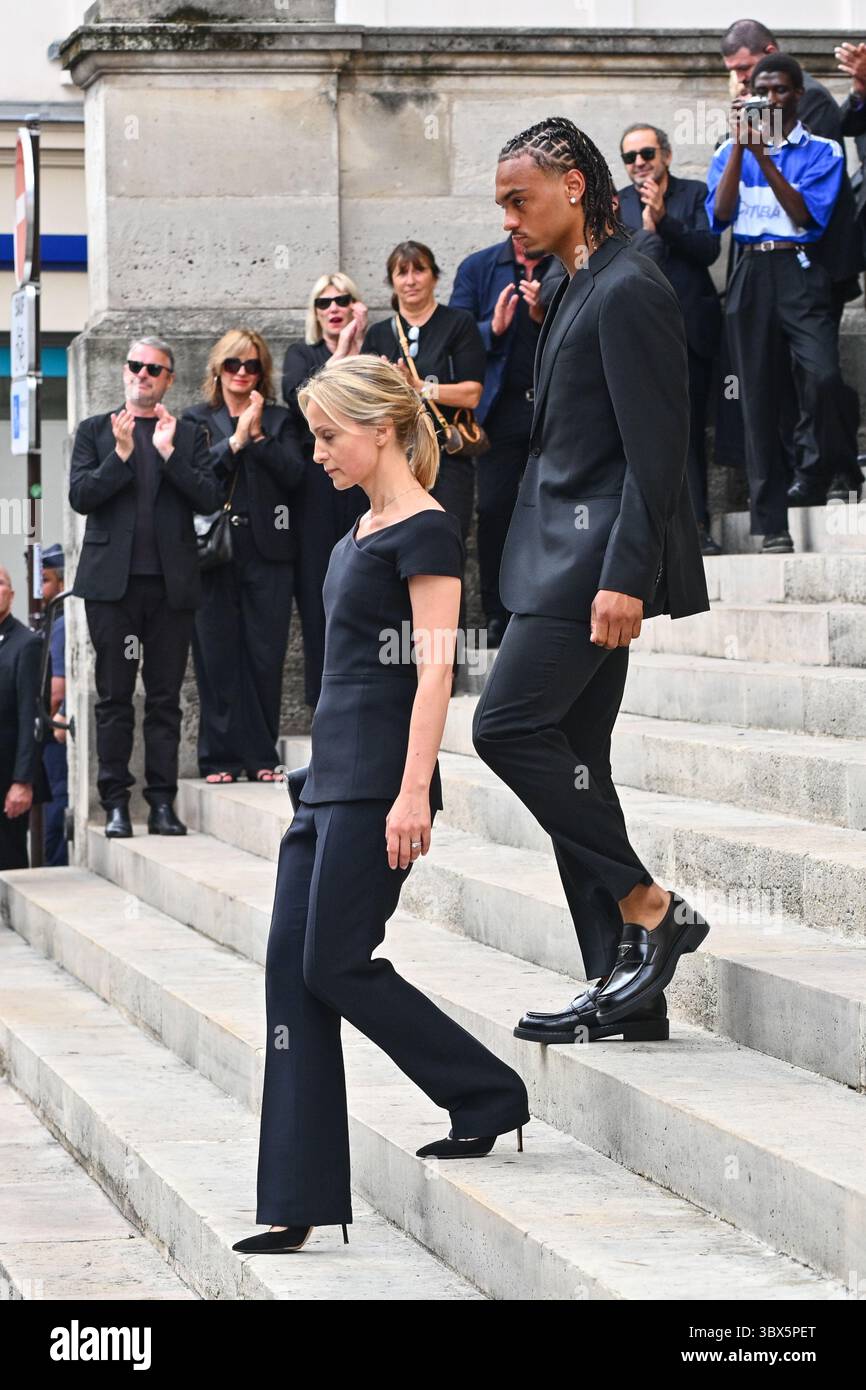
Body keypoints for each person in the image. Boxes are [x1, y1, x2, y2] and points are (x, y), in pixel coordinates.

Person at [232, 356, 530, 1256]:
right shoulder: (352, 535)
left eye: (330, 436)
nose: (319, 452)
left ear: (383, 428)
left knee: (334, 963)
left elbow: (435, 673)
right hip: (323, 784)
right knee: (293, 974)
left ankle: (486, 1092)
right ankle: (295, 1198)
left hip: (378, 787)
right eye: (314, 436)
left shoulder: (427, 532)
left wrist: (412, 791)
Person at [469, 115, 711, 1046]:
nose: (508, 219)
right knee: (577, 760)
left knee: (505, 727)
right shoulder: (576, 282)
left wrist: (626, 578)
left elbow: (657, 453)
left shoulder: (631, 286)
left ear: (574, 186)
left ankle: (652, 910)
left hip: (590, 569)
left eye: (518, 199)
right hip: (554, 557)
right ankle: (626, 987)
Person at [69, 336, 227, 837]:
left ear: (168, 380)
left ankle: (162, 803)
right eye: (135, 365)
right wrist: (119, 456)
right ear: (124, 371)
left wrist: (168, 454)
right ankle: (115, 804)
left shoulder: (188, 433)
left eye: (154, 369)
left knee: (164, 699)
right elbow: (80, 496)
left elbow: (210, 499)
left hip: (170, 588)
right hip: (110, 590)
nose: (142, 374)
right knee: (114, 698)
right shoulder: (95, 431)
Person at [706, 55, 849, 551]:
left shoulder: (823, 150)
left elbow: (807, 216)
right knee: (756, 399)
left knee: (824, 376)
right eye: (762, 91)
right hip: (750, 271)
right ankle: (772, 526)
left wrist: (764, 158)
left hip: (799, 268)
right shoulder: (728, 151)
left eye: (781, 90)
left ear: (798, 95)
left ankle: (814, 469)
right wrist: (741, 151)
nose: (770, 100)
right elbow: (720, 216)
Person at [183, 329, 305, 783]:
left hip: (268, 551)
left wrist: (257, 437)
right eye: (232, 364)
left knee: (265, 655)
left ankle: (260, 755)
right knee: (216, 656)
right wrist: (233, 442)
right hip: (212, 552)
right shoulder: (196, 420)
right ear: (217, 369)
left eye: (251, 365)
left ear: (262, 372)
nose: (241, 372)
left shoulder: (279, 419)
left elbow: (296, 475)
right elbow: (192, 477)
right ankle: (219, 759)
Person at [362, 241, 486, 654]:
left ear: (434, 276)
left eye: (419, 270)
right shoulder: (379, 333)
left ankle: (445, 661)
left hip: (446, 459)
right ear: (392, 281)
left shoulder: (458, 324)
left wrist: (420, 387)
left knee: (443, 550)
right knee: (392, 550)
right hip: (395, 460)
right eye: (402, 272)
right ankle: (400, 656)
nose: (411, 280)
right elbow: (365, 399)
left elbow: (471, 393)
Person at [616, 124, 723, 555]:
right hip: (636, 337)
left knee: (689, 435)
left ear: (667, 155)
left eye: (647, 153)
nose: (639, 162)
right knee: (641, 439)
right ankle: (651, 536)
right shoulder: (614, 204)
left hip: (689, 334)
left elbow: (710, 249)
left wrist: (664, 222)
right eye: (630, 157)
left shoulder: (694, 193)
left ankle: (697, 529)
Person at [449, 234, 556, 645]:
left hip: (555, 405)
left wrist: (543, 315)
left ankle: (555, 604)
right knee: (494, 508)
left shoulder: (565, 261)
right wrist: (491, 328)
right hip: (499, 410)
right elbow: (452, 338)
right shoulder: (478, 268)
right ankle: (498, 612)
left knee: (556, 505)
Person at [281, 274, 369, 709]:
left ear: (355, 305)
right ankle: (323, 699)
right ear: (314, 313)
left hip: (364, 483)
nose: (333, 308)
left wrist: (357, 351)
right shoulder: (304, 354)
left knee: (365, 585)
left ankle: (364, 690)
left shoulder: (372, 353)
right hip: (316, 487)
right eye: (323, 302)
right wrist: (341, 353)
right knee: (319, 590)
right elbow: (298, 398)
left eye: (341, 299)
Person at [0, 566, 46, 870]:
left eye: (0, 583)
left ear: (11, 594)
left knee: (7, 862)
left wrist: (22, 781)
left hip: (6, 777)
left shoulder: (25, 644)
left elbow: (31, 716)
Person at [40, 544, 69, 866]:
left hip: (54, 736)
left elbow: (57, 691)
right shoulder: (52, 620)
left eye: (46, 580)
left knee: (55, 818)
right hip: (50, 736)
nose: (41, 589)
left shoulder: (60, 624)